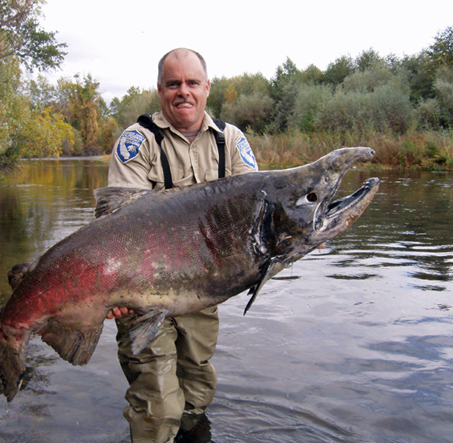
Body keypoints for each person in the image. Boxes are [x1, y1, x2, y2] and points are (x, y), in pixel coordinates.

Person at [105, 48, 258, 443]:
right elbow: (116, 228)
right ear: (160, 90)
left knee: (196, 392)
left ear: (207, 88)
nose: (183, 92)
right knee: (157, 403)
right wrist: (113, 289)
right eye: (174, 83)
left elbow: (258, 208)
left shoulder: (231, 140)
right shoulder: (137, 142)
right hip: (141, 294)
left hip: (202, 292)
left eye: (192, 83)